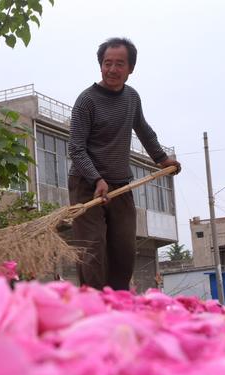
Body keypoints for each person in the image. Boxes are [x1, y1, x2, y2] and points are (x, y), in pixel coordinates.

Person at [68, 37, 180, 291]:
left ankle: (118, 303)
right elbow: (75, 148)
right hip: (87, 186)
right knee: (92, 249)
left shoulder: (132, 98)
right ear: (100, 66)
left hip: (120, 184)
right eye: (107, 63)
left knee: (123, 249)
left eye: (120, 64)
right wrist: (96, 179)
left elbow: (143, 129)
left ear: (131, 69)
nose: (112, 70)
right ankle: (93, 304)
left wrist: (162, 159)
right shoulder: (86, 101)